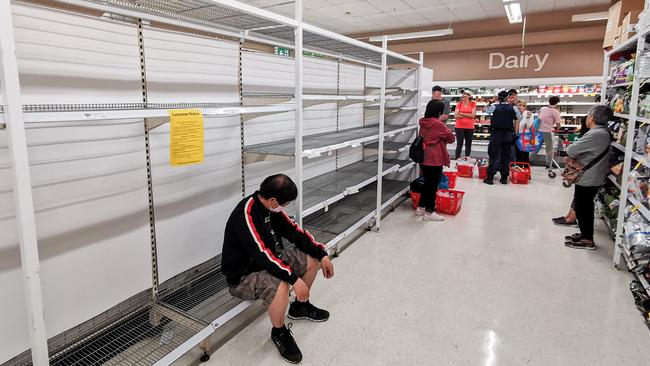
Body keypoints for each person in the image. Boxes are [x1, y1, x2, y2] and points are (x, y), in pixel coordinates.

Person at [221, 174, 335, 363]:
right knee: (282, 282)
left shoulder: (271, 208)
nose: (286, 207)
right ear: (273, 200)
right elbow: (263, 255)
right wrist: (294, 280)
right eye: (286, 203)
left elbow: (295, 232)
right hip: (243, 276)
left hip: (269, 261)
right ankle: (279, 332)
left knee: (312, 258)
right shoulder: (246, 214)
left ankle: (299, 307)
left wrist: (321, 254)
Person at [564, 105, 613, 250]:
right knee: (583, 205)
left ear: (592, 117)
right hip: (592, 175)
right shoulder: (602, 132)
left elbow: (571, 149)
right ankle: (585, 234)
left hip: (589, 177)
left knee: (584, 207)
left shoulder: (596, 134)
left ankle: (587, 240)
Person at [416, 100, 456, 221]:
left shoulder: (423, 122)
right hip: (435, 158)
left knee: (427, 183)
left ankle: (421, 207)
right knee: (433, 185)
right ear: (439, 111)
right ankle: (429, 212)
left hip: (423, 157)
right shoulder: (438, 124)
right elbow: (451, 138)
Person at [553, 118, 589, 228]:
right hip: (583, 168)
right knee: (577, 194)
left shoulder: (590, 135)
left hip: (584, 169)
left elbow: (572, 150)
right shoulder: (590, 134)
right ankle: (569, 216)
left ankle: (571, 218)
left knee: (580, 195)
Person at [483, 90, 521, 185]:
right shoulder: (513, 108)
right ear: (507, 98)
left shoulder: (494, 107)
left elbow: (485, 109)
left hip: (496, 134)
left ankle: (490, 178)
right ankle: (504, 178)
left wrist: (491, 101)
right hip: (507, 135)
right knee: (505, 156)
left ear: (498, 98)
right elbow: (519, 117)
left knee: (493, 156)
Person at [534, 96, 562, 169]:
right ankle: (548, 164)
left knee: (535, 147)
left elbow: (538, 117)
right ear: (557, 103)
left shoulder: (542, 108)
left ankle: (528, 160)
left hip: (539, 131)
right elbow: (558, 125)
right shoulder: (555, 112)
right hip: (548, 132)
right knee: (549, 149)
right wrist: (558, 127)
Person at [454, 90, 477, 159]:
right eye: (463, 94)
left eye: (466, 94)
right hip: (459, 127)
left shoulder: (473, 104)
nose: (464, 95)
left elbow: (473, 116)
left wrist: (461, 113)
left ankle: (467, 158)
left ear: (469, 96)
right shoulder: (459, 104)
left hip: (470, 127)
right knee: (459, 144)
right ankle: (457, 159)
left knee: (468, 144)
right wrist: (468, 115)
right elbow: (455, 116)